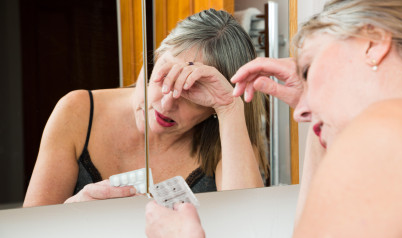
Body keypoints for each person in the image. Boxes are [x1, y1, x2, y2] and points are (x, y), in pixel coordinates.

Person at [145, 0, 402, 237]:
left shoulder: (393, 126)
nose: (299, 112)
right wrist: (318, 116)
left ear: (373, 43)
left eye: (307, 70)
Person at [23, 9, 269, 207]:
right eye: (164, 77)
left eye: (193, 95)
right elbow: (31, 229)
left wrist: (229, 107)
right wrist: (71, 211)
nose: (166, 104)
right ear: (154, 59)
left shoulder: (229, 140)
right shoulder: (76, 111)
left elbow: (250, 223)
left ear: (213, 108)